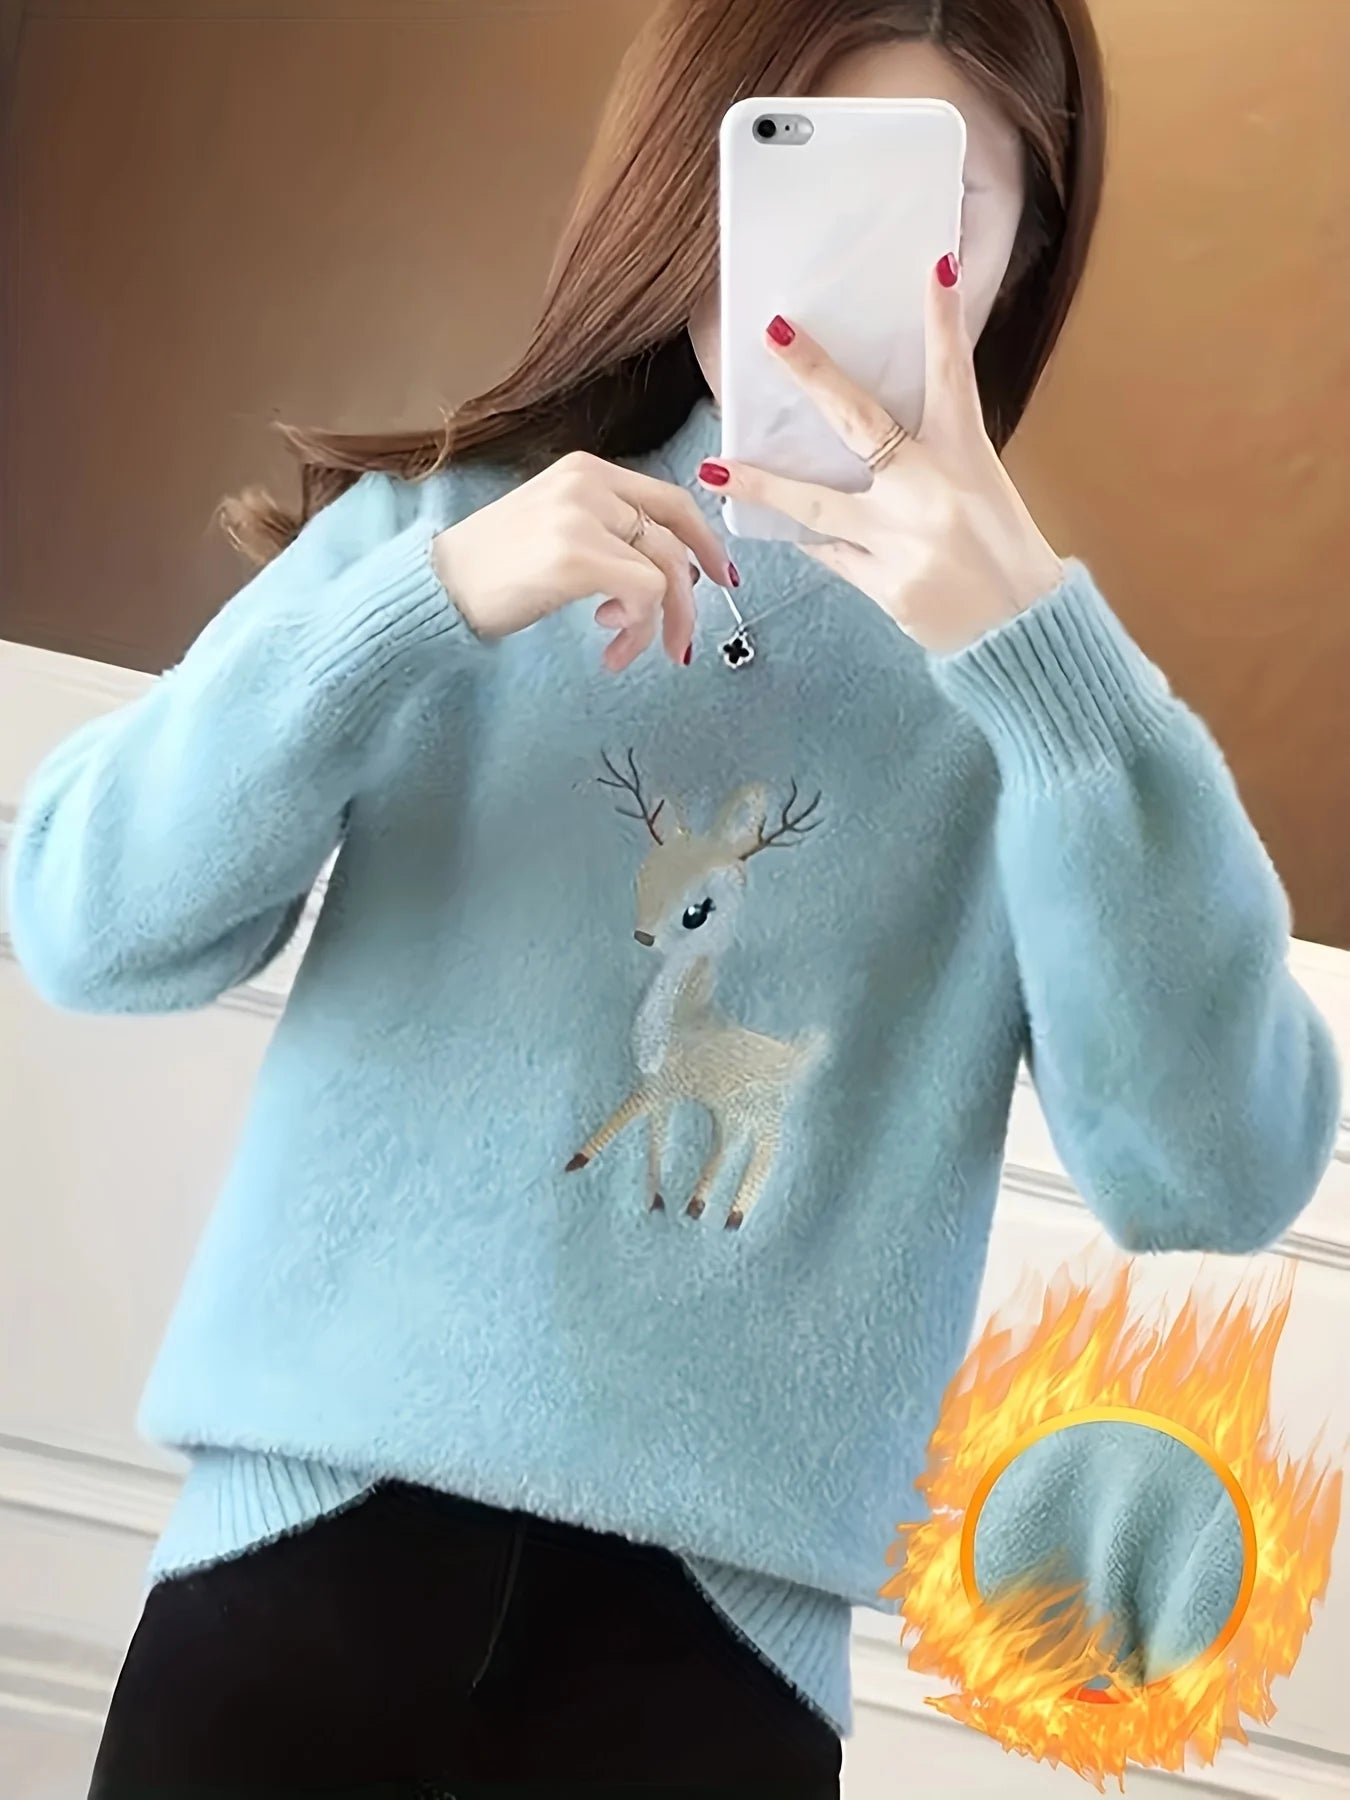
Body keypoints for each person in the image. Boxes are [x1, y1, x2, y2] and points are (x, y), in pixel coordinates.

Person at [8, 1, 1340, 1793]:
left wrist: (1047, 673)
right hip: (296, 1579)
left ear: (1024, 254)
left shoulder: (1037, 708)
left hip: (710, 1669)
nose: (854, 261)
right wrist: (424, 601)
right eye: (795, 171)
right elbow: (87, 922)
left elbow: (1216, 1172)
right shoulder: (438, 550)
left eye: (936, 200)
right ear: (680, 182)